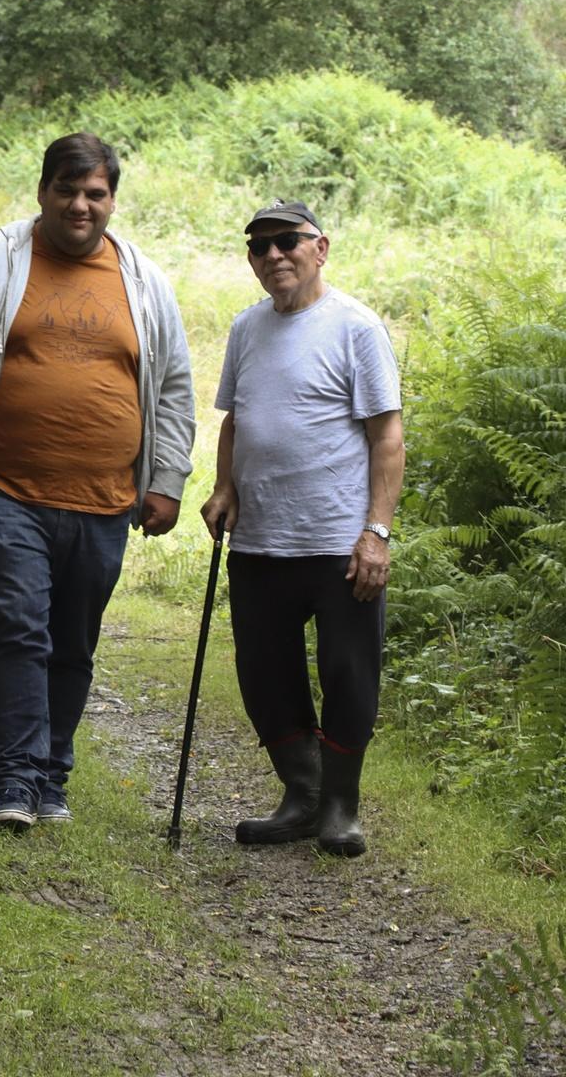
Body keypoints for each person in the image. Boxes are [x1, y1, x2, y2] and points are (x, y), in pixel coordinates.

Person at [0, 132, 195, 831]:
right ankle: (13, 778)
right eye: (66, 190)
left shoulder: (145, 279)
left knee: (73, 641)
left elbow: (175, 385)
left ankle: (51, 774)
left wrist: (167, 479)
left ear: (111, 201)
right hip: (4, 488)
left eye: (94, 194)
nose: (80, 205)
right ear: (41, 191)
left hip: (105, 501)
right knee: (16, 628)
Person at [199, 201, 402, 858]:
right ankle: (302, 795)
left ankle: (341, 805)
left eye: (287, 242)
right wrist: (224, 486)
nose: (274, 256)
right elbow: (237, 419)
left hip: (337, 543)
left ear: (321, 247)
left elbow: (386, 435)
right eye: (259, 247)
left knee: (349, 673)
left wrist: (378, 530)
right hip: (259, 541)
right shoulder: (245, 329)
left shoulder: (355, 327)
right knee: (266, 675)